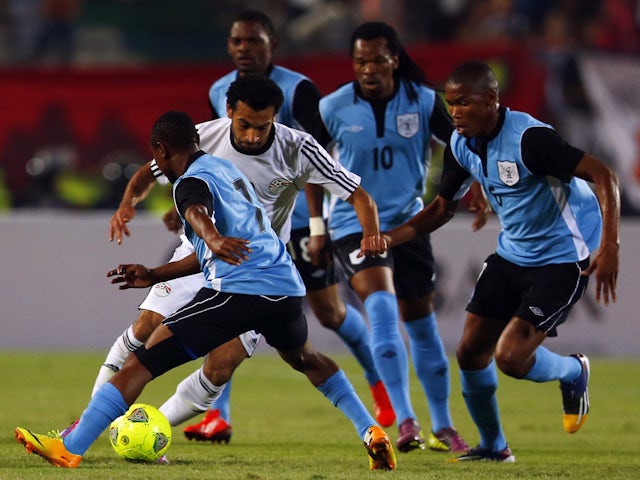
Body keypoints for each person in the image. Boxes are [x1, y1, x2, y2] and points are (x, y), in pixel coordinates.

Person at [14, 110, 397, 471]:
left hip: (240, 293)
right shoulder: (226, 170)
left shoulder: (189, 182)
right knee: (308, 360)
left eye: (157, 158)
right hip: (284, 290)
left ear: (161, 151)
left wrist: (211, 238)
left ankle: (71, 447)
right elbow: (214, 247)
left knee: (139, 363)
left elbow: (197, 214)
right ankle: (370, 430)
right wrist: (155, 273)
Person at [102, 9, 394, 443]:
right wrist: (131, 203)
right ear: (228, 111)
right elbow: (157, 168)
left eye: (265, 126)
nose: (255, 136)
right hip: (198, 253)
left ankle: (146, 427)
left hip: (259, 265)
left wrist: (320, 226)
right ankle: (94, 422)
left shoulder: (298, 127)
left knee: (230, 361)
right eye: (246, 125)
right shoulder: (208, 131)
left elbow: (340, 184)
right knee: (143, 333)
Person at [382, 61, 620, 462]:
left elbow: (604, 174)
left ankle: (573, 372)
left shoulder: (530, 139)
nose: (455, 112)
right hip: (512, 254)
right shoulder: (461, 143)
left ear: (491, 100)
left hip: (563, 258)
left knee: (509, 358)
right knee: (470, 352)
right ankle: (494, 447)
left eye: (464, 103)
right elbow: (442, 209)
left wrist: (610, 245)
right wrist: (390, 238)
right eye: (450, 103)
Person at [318, 21, 490, 454]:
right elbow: (309, 165)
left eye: (377, 59)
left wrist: (480, 186)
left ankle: (443, 426)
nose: (368, 68)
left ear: (394, 59)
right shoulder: (333, 106)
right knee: (379, 306)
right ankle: (405, 420)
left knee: (423, 326)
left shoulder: (423, 99)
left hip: (408, 225)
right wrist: (316, 226)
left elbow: (463, 145)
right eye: (360, 61)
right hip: (351, 225)